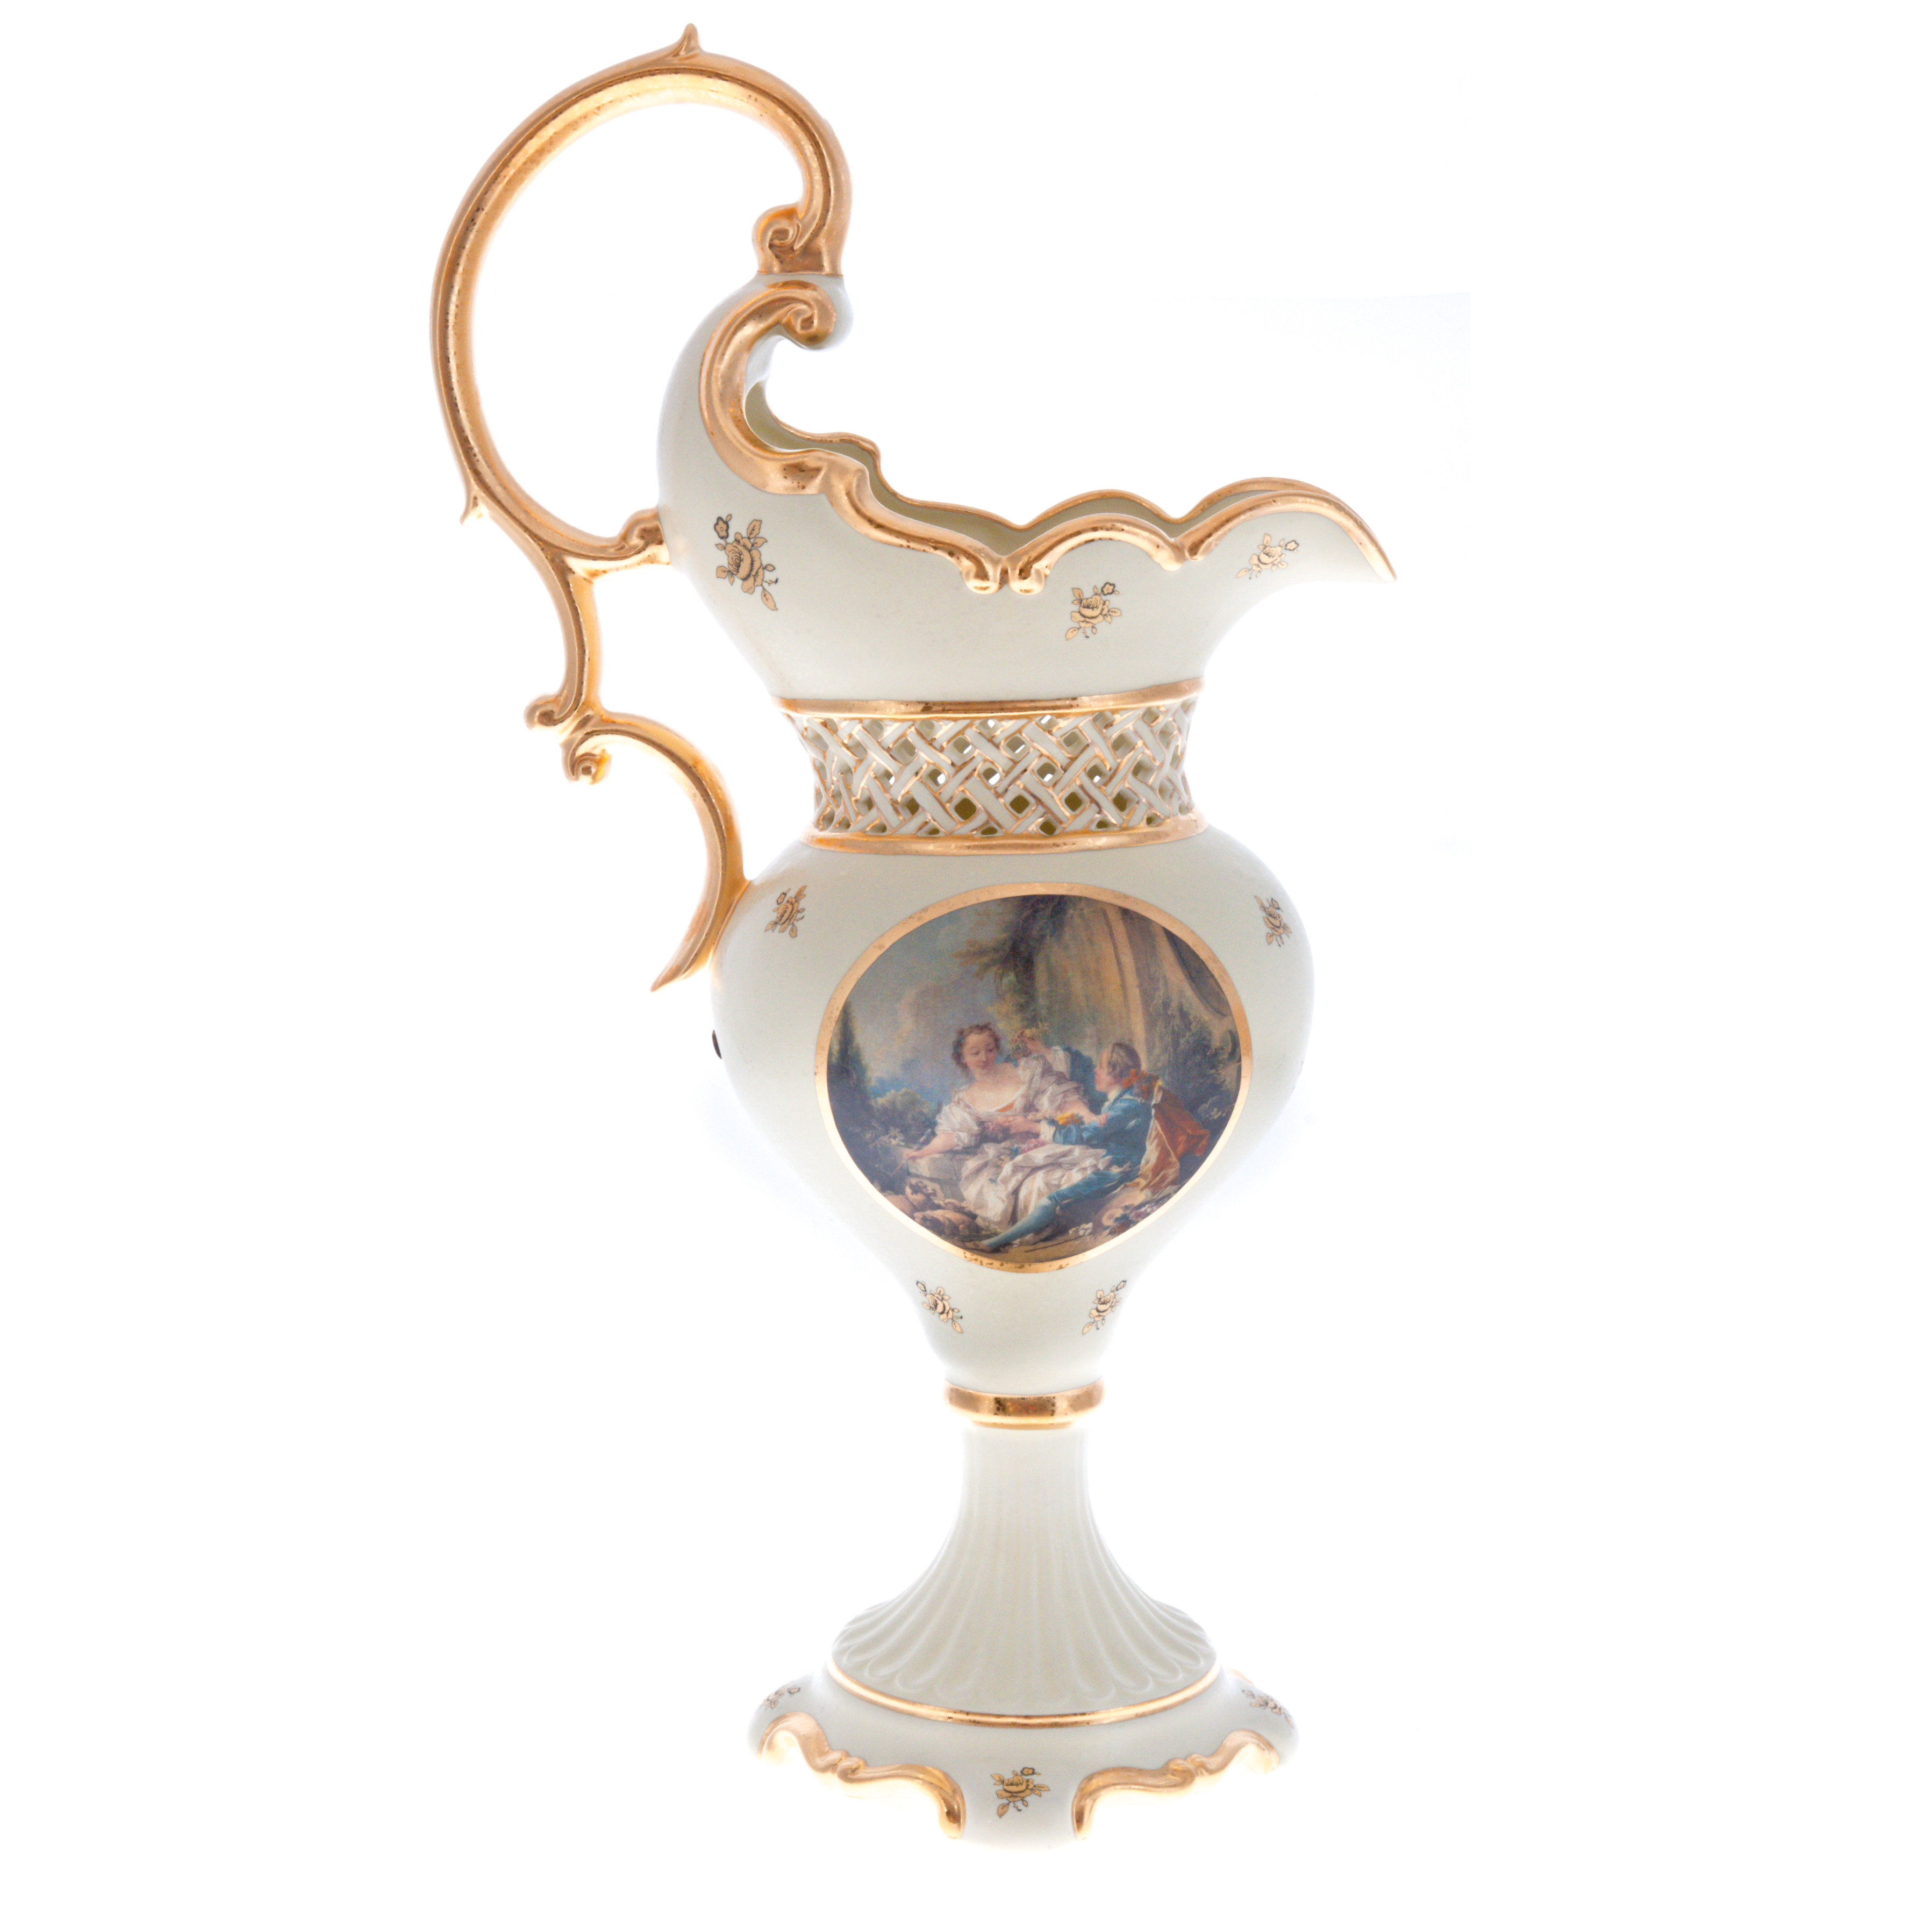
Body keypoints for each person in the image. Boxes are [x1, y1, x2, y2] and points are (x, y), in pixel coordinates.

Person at [894, 1022, 1108, 1239]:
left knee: (1072, 1173)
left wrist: (1089, 1117)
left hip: (1046, 1141)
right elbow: (952, 1136)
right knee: (1030, 1186)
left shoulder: (1026, 1072)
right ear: (963, 1058)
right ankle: (1043, 1229)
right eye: (975, 1053)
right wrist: (923, 1152)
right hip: (1009, 1156)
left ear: (997, 1050)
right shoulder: (965, 1100)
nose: (984, 1058)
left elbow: (1064, 1100)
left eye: (990, 1050)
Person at [978, 1041, 1155, 1253]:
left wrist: (1035, 1127)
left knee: (1052, 1199)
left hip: (1120, 1168)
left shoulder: (1129, 1105)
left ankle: (996, 1243)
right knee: (1035, 1166)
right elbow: (1097, 1133)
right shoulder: (1121, 1101)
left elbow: (1088, 1135)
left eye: (1101, 1067)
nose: (1096, 1071)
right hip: (1107, 1156)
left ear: (1116, 1075)